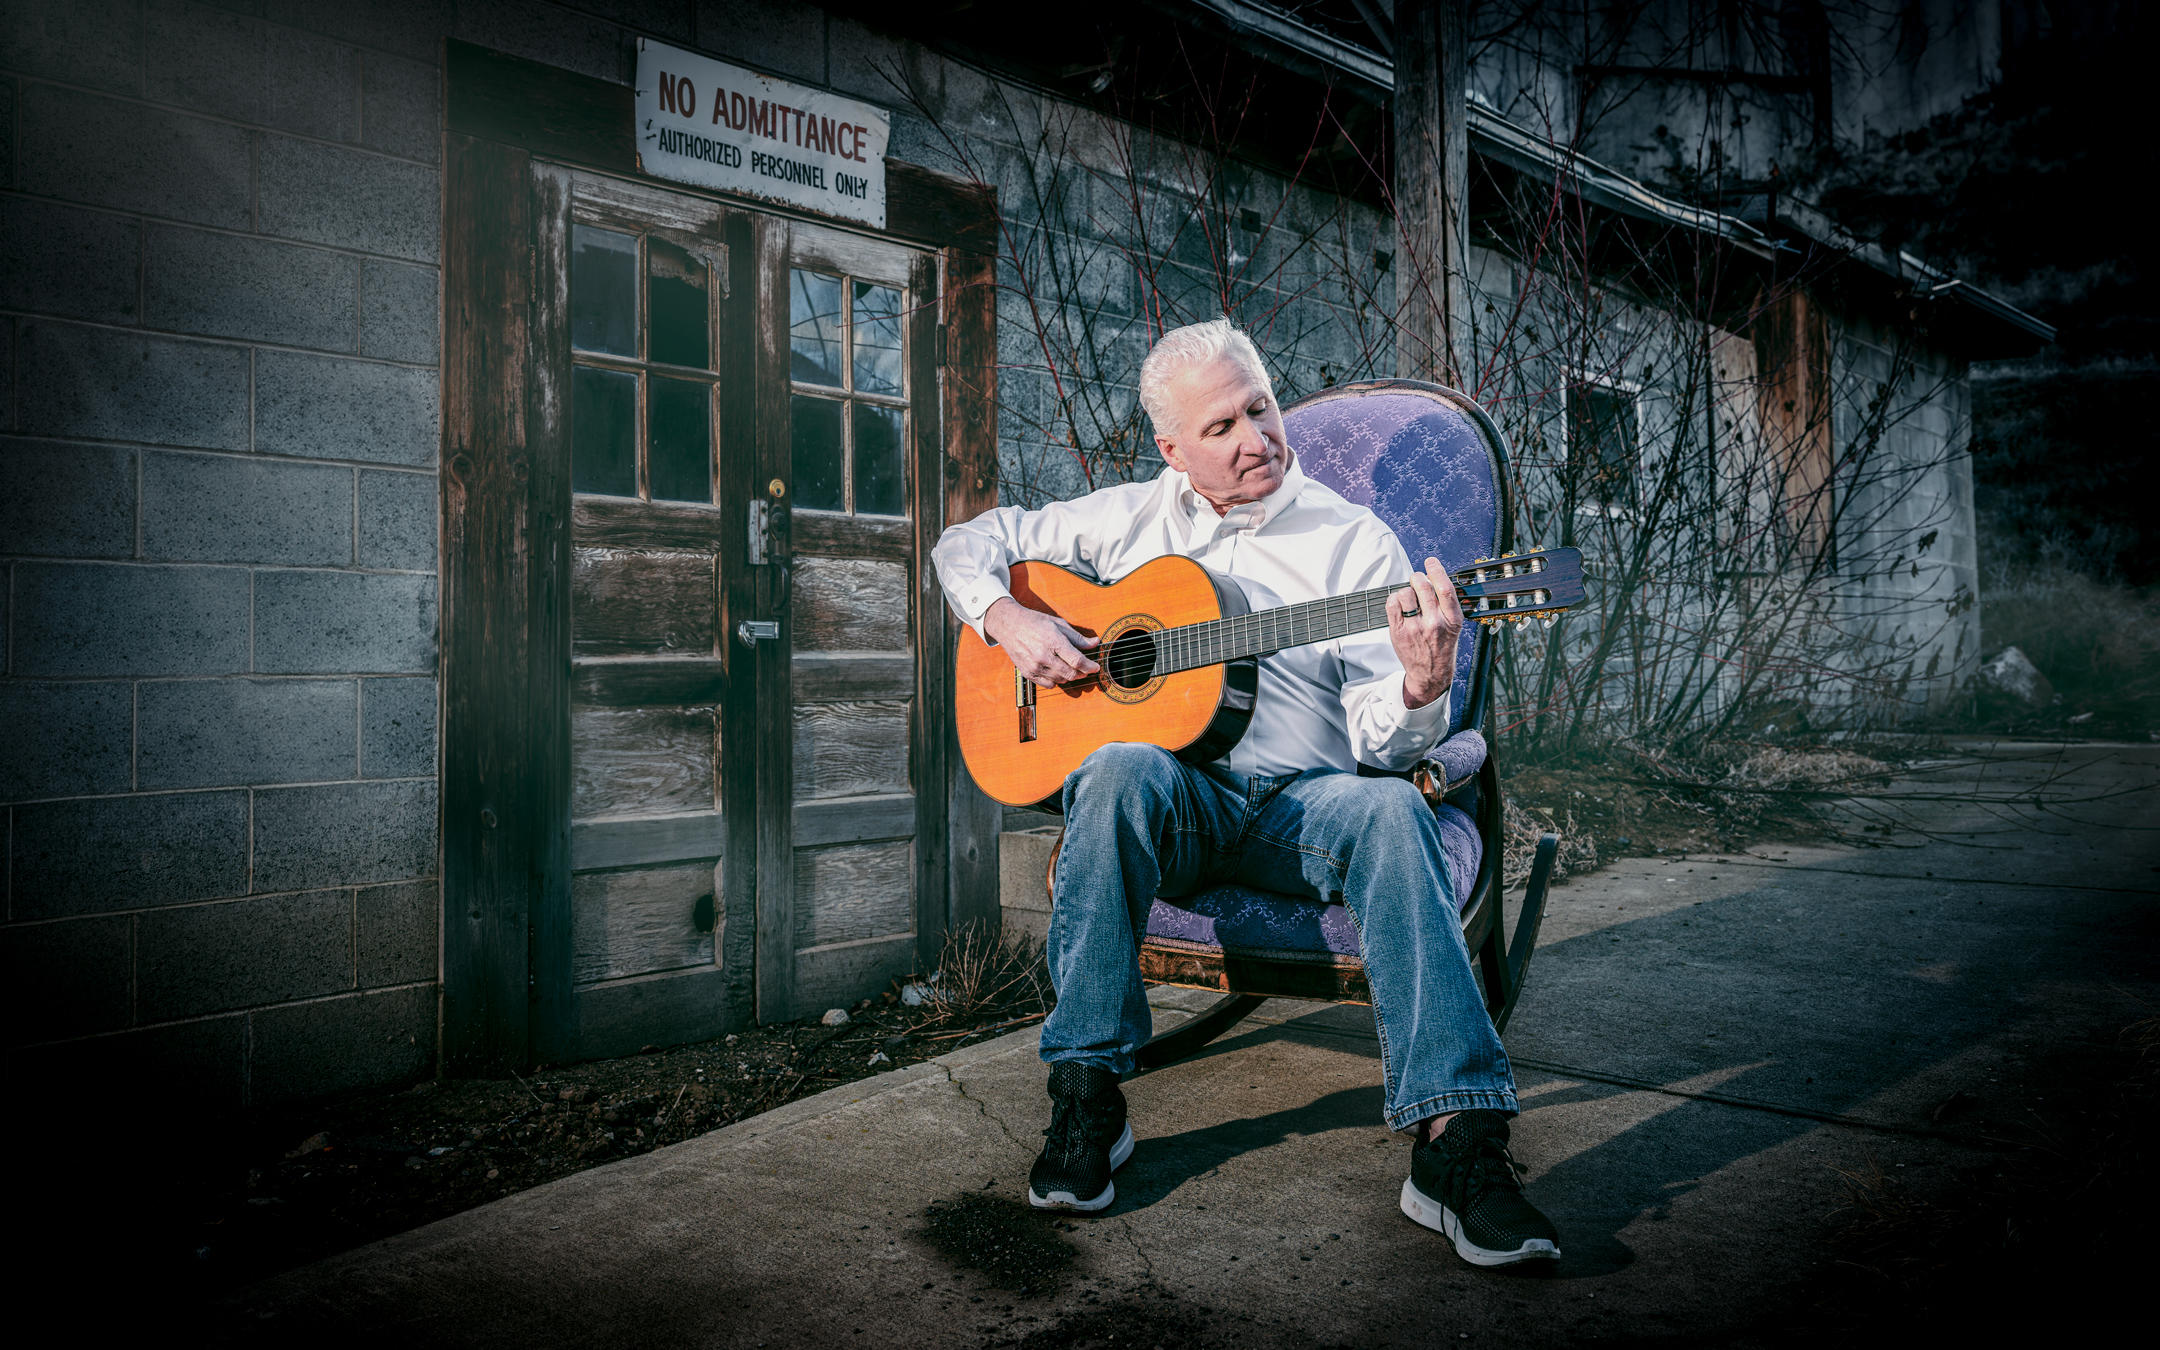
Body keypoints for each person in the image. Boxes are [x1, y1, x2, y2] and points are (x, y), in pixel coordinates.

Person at [929, 318, 1561, 1268]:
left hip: (1305, 808)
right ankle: (1086, 1097)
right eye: (1220, 427)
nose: (1256, 440)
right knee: (1114, 767)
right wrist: (1010, 618)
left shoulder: (1354, 544)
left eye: (1260, 409)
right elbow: (965, 545)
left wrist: (1422, 689)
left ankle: (1455, 1145)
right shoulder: (1129, 520)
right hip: (1181, 801)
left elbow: (1378, 743)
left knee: (1394, 808)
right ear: (1172, 450)